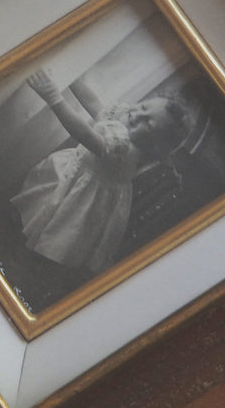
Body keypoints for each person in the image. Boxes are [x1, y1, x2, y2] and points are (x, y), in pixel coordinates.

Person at [10, 67, 189, 274]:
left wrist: (53, 97)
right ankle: (23, 240)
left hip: (81, 200)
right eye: (143, 107)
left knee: (56, 231)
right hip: (73, 176)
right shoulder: (126, 123)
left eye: (148, 122)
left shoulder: (127, 151)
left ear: (156, 146)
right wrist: (73, 76)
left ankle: (26, 262)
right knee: (38, 212)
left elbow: (85, 135)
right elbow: (94, 104)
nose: (137, 115)